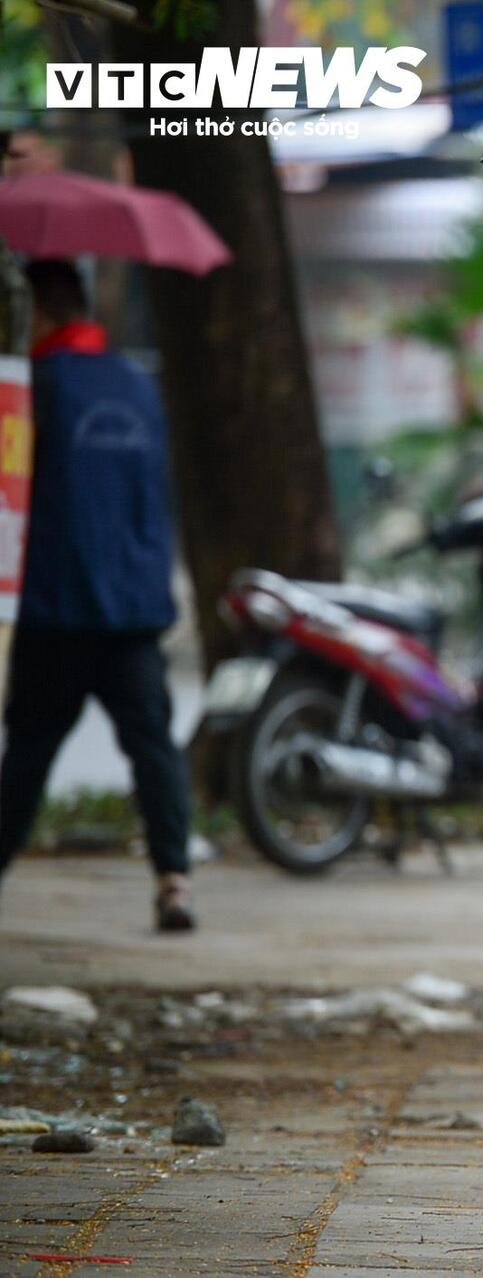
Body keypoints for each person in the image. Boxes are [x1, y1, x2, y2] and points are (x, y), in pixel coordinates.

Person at [0, 259, 195, 933]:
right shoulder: (138, 387)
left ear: (42, 316)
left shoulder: (34, 390)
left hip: (56, 610)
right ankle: (174, 882)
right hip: (134, 614)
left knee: (26, 751)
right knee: (153, 750)